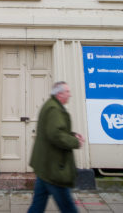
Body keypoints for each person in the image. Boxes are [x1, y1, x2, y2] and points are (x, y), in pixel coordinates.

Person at [27, 81, 85, 213]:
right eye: (67, 92)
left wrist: (73, 135)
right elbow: (56, 135)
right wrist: (75, 142)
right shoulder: (54, 109)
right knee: (69, 208)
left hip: (45, 166)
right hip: (54, 168)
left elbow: (56, 130)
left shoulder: (51, 105)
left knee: (37, 206)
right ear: (59, 94)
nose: (70, 95)